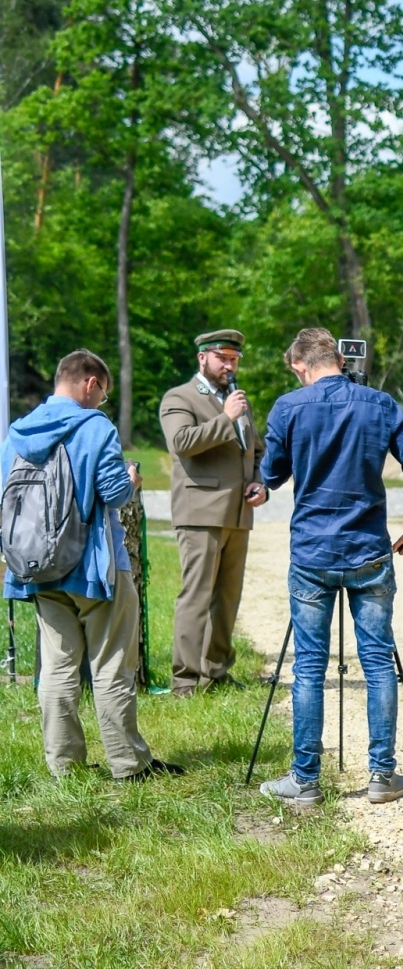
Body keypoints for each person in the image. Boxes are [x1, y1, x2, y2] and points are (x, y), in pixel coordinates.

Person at [257, 328, 403, 807]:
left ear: (300, 365)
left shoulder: (288, 407)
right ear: (339, 357)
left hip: (312, 554)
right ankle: (382, 775)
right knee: (378, 662)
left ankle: (305, 780)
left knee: (310, 667)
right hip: (369, 552)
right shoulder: (378, 403)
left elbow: (271, 475)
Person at [1, 350, 181, 781]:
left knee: (58, 667)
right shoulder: (95, 426)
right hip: (96, 566)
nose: (102, 401)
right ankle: (128, 764)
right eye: (103, 393)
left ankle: (65, 767)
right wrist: (133, 477)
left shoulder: (16, 432)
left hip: (36, 567)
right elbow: (115, 493)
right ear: (90, 383)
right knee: (111, 665)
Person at [160, 329, 267, 697]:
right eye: (222, 358)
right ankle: (185, 681)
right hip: (200, 512)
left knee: (228, 597)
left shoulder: (239, 400)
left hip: (238, 513)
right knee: (197, 596)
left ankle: (217, 672)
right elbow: (182, 443)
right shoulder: (180, 397)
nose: (229, 366)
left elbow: (255, 450)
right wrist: (225, 417)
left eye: (234, 359)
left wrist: (258, 482)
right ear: (202, 358)